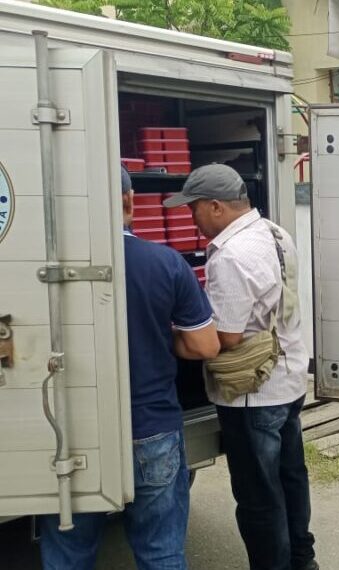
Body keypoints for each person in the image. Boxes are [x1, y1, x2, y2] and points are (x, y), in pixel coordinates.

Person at [39, 166, 220, 569]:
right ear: (129, 201)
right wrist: (158, 335)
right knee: (161, 553)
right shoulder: (165, 263)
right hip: (151, 428)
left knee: (68, 554)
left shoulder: (45, 269)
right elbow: (205, 345)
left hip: (71, 434)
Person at [163, 165, 317, 570]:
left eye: (193, 208)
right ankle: (302, 560)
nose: (191, 218)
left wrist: (171, 335)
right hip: (287, 378)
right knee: (290, 478)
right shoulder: (275, 233)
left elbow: (225, 337)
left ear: (216, 206)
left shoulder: (231, 255)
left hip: (253, 394)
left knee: (258, 497)